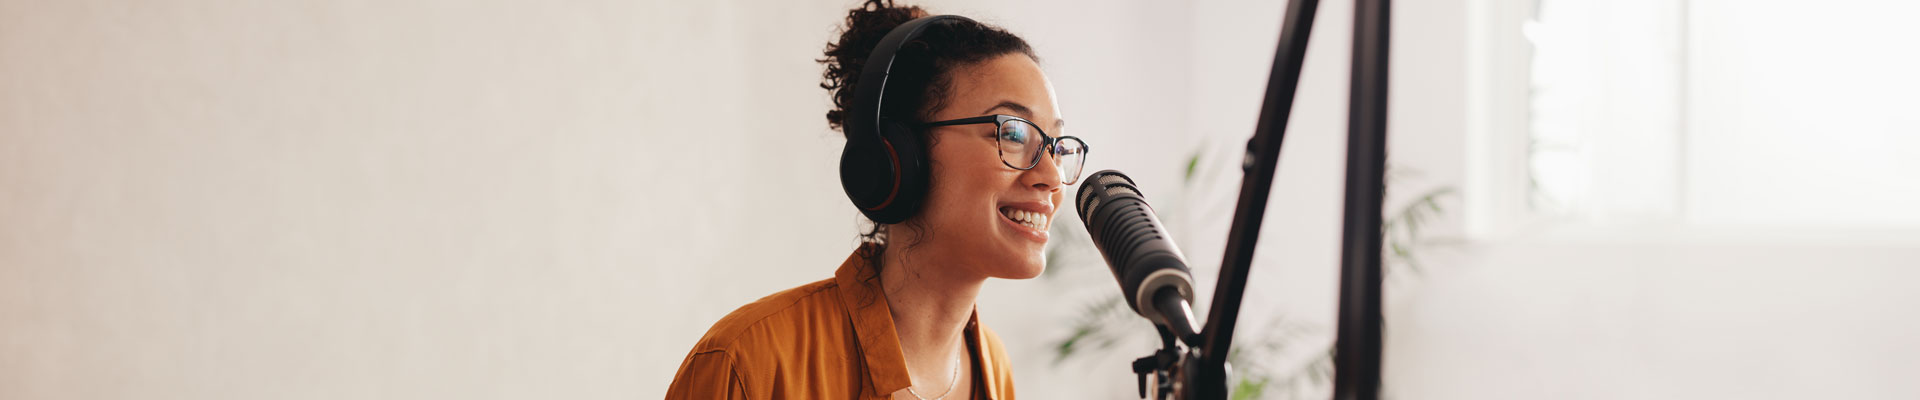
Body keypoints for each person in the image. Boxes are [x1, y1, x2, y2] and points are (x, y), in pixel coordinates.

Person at [664, 1, 1088, 399]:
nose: (1052, 177)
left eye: (1055, 146)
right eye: (1013, 132)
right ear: (900, 156)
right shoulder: (752, 363)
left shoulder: (994, 368)